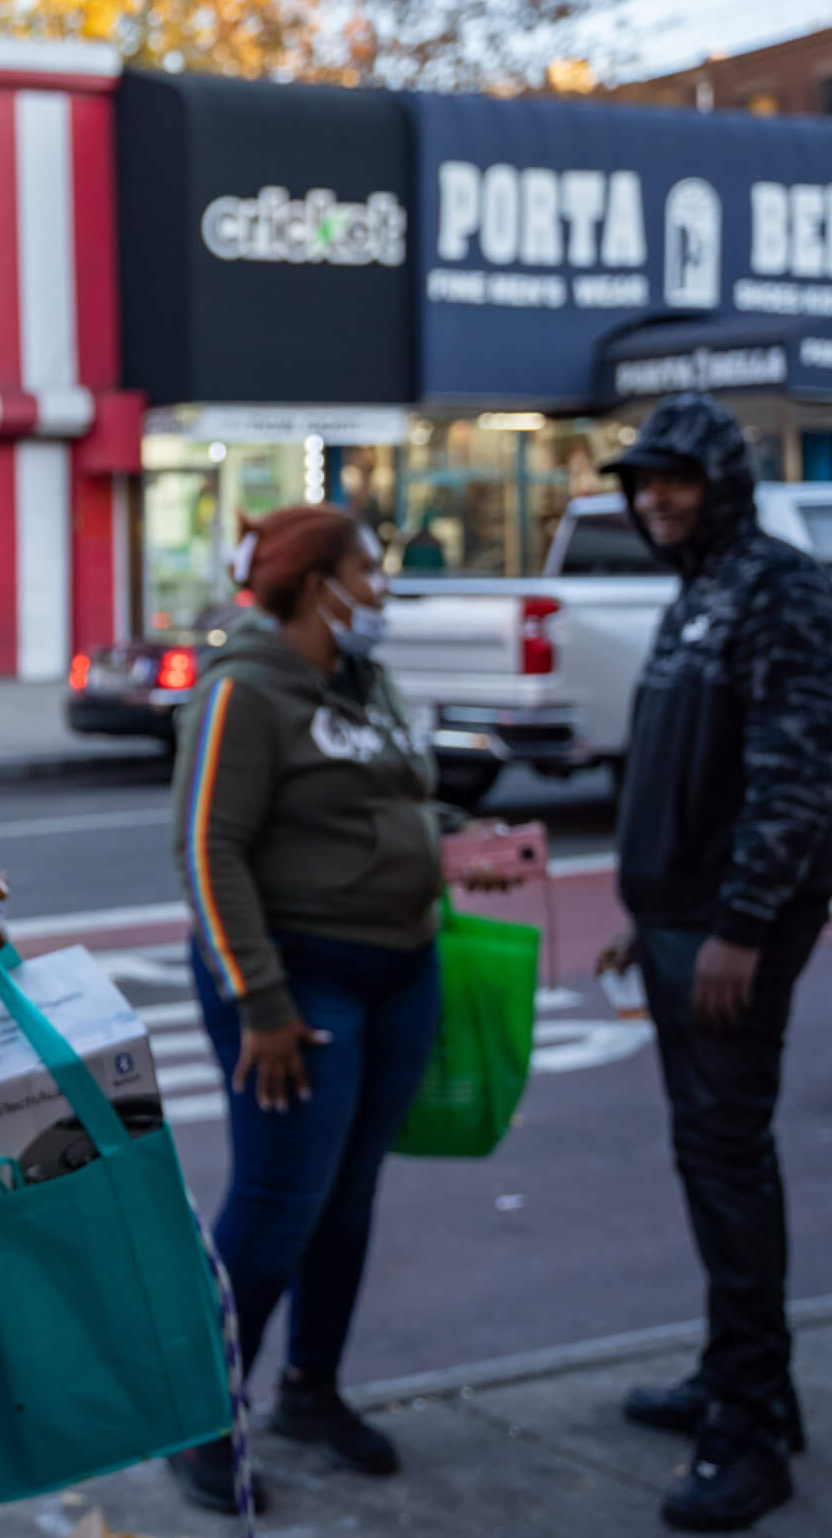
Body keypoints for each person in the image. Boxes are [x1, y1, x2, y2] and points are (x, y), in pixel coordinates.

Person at [167, 504, 503, 1514]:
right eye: (370, 570)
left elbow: (386, 800)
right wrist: (259, 1003)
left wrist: (457, 837)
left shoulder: (365, 682)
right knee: (275, 1208)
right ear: (320, 585)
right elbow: (204, 850)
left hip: (400, 970)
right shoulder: (243, 693)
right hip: (294, 983)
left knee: (348, 1195)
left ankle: (310, 1392)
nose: (383, 589)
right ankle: (199, 1420)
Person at [597, 392, 832, 1534]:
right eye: (641, 483)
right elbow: (673, 769)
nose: (653, 499)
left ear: (721, 483)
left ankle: (747, 1434)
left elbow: (791, 779)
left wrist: (739, 926)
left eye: (674, 480)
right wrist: (642, 911)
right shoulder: (699, 587)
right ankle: (746, 1377)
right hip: (676, 917)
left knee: (726, 1156)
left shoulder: (781, 589)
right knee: (708, 1156)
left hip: (730, 928)